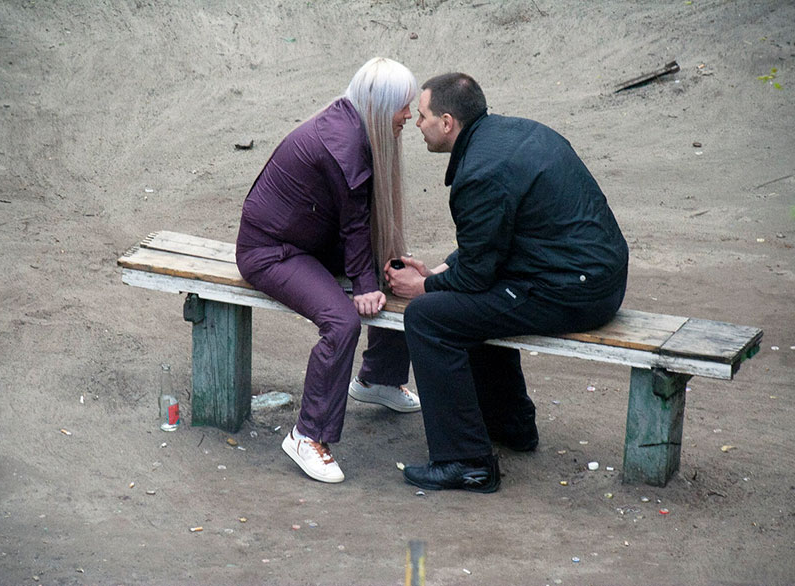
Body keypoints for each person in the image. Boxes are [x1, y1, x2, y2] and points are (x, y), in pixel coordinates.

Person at [386, 73, 629, 493]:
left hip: (573, 291)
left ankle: (466, 461)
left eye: (422, 116)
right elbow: (500, 239)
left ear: (447, 122)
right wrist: (442, 271)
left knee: (429, 318)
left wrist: (421, 288)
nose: (417, 125)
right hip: (593, 275)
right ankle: (511, 426)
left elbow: (478, 275)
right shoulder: (514, 134)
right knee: (469, 306)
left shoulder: (479, 172)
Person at [235, 58, 421, 484]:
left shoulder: (356, 123)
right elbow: (356, 224)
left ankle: (379, 380)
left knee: (396, 273)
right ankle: (307, 435)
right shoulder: (344, 144)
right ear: (380, 105)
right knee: (341, 322)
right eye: (403, 107)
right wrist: (362, 286)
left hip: (310, 242)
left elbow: (355, 225)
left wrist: (373, 278)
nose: (408, 117)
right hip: (272, 252)